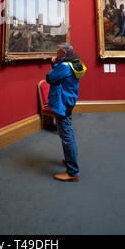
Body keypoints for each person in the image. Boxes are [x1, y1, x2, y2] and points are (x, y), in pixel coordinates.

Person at [46, 43, 83, 182]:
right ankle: (69, 158)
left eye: (58, 50)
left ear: (64, 53)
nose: (56, 52)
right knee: (66, 132)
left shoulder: (64, 66)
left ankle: (72, 172)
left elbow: (50, 78)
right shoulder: (74, 62)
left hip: (62, 102)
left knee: (66, 135)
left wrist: (54, 63)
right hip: (68, 100)